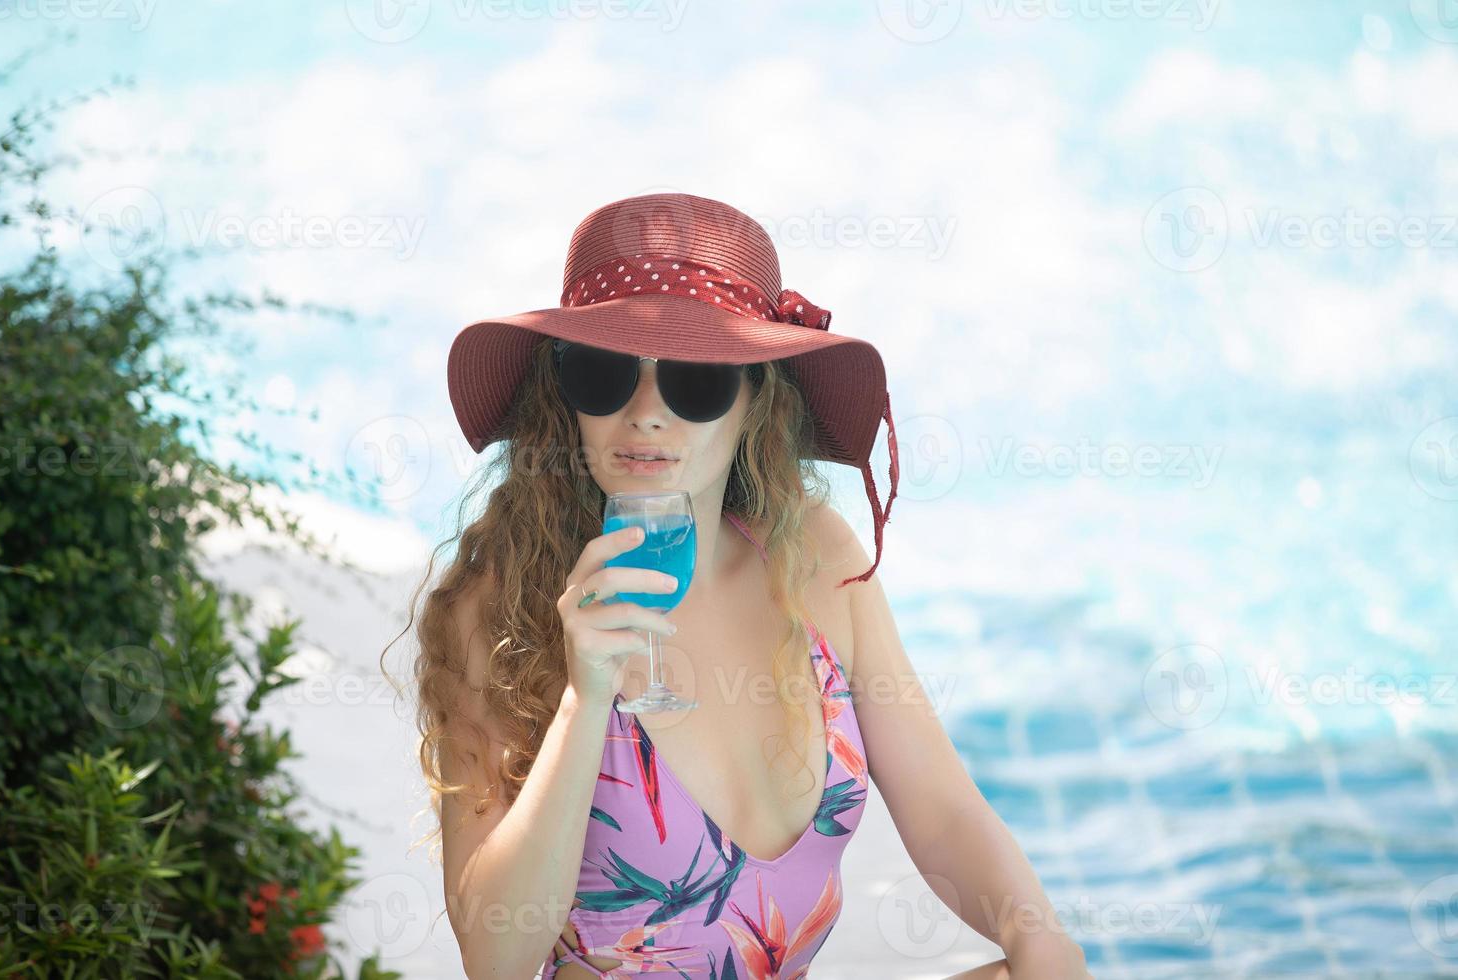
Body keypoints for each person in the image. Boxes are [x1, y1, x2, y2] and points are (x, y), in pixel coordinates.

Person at [396, 192, 1091, 978]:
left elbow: (942, 810)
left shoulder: (818, 562)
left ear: (756, 398)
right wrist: (583, 700)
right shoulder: (499, 608)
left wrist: (1042, 939)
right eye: (603, 373)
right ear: (565, 397)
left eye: (695, 380)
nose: (646, 414)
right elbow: (495, 958)